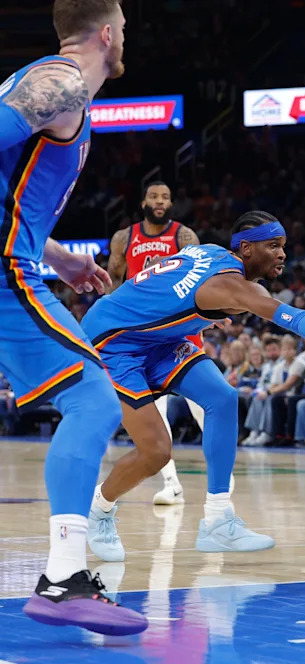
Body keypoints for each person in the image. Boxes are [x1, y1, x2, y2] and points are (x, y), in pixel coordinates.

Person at [80, 211, 305, 563]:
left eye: (283, 246)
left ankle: (217, 521)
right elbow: (299, 320)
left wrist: (201, 312)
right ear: (245, 249)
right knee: (156, 452)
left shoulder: (215, 256)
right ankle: (99, 510)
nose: (283, 254)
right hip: (112, 343)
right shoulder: (230, 287)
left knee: (223, 398)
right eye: (273, 246)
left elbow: (168, 284)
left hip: (158, 339)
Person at [0, 0, 148, 634]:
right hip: (5, 270)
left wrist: (57, 254)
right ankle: (63, 578)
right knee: (93, 398)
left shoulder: (49, 91)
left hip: (24, 259)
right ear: (108, 33)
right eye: (125, 31)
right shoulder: (59, 83)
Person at [106, 180, 209, 506]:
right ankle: (172, 483)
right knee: (154, 409)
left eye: (165, 196)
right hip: (142, 333)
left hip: (178, 328)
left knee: (202, 403)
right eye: (154, 196)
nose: (160, 201)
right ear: (143, 202)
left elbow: (201, 277)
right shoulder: (125, 238)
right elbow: (113, 288)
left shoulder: (184, 236)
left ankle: (225, 475)